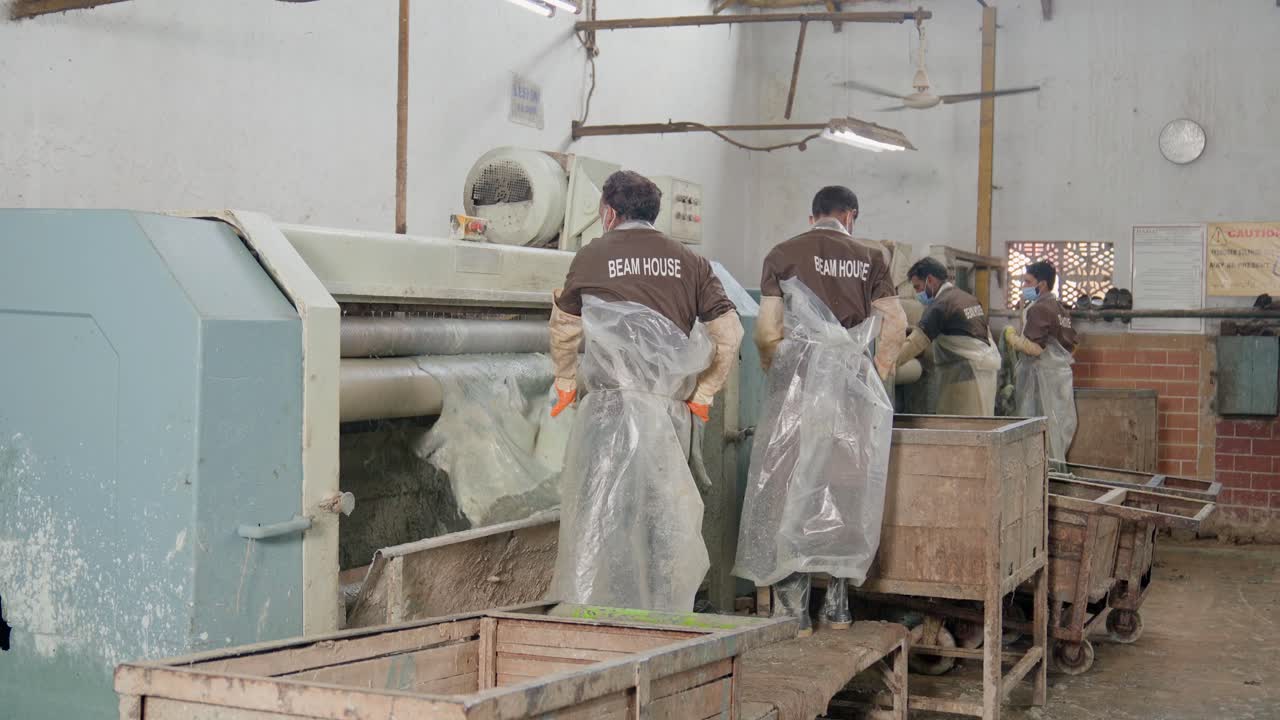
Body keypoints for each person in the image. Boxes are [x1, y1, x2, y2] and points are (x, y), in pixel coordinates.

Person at [547, 170, 744, 612]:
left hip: (609, 414)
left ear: (609, 213)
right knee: (664, 519)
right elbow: (730, 334)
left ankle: (594, 615)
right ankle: (661, 617)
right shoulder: (692, 262)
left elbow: (564, 328)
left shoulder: (591, 256)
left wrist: (565, 382)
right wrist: (703, 395)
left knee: (601, 514)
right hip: (668, 418)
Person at [735, 186, 905, 636]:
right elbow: (896, 324)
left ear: (813, 217)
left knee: (789, 486)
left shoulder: (782, 253)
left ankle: (796, 612)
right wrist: (876, 373)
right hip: (850, 387)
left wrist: (776, 371)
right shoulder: (872, 258)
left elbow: (767, 331)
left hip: (800, 383)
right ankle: (838, 607)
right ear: (850, 216)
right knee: (844, 489)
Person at [897, 257, 1002, 416]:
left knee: (961, 425)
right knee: (982, 421)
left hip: (966, 377)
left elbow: (915, 343)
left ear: (930, 280)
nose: (917, 293)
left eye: (917, 287)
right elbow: (970, 332)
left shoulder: (940, 305)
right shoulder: (967, 298)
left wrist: (886, 364)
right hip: (986, 371)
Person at [1004, 260, 1079, 462]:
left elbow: (1034, 348)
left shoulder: (1039, 309)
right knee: (1057, 429)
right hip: (1060, 378)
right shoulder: (1061, 309)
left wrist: (1011, 337)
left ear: (1042, 284)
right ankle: (1054, 471)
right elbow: (1072, 345)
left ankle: (1041, 474)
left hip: (1041, 379)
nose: (1023, 287)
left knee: (1037, 431)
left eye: (1028, 282)